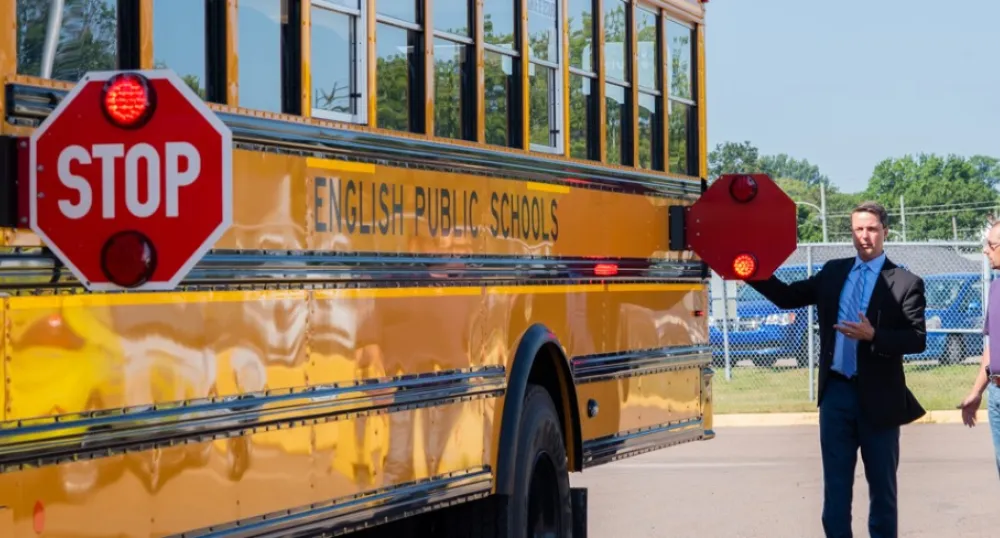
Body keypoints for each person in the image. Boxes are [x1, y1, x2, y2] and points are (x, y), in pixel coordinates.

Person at [745, 201, 927, 538]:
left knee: (883, 492)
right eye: (858, 229)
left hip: (880, 399)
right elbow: (786, 297)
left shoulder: (905, 282)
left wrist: (875, 336)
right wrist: (747, 268)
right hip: (837, 395)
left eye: (871, 229)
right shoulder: (833, 272)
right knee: (836, 491)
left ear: (885, 231)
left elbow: (917, 339)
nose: (864, 236)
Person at [957, 220, 1000, 477]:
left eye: (991, 245)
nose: (985, 251)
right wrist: (976, 391)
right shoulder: (995, 287)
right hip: (996, 393)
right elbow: (992, 346)